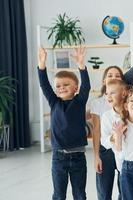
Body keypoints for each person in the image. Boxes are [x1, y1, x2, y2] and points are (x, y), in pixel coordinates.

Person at [37, 47, 90, 200]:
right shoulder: (54, 102)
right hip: (58, 158)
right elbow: (44, 85)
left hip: (78, 157)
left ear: (75, 88)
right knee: (59, 195)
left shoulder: (79, 101)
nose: (61, 88)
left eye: (66, 85)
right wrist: (42, 65)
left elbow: (86, 86)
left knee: (80, 194)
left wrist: (81, 66)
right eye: (58, 86)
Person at [90, 66, 124, 200]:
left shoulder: (128, 103)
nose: (113, 77)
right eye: (110, 75)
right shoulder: (97, 103)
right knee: (104, 190)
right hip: (106, 150)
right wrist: (96, 156)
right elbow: (96, 131)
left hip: (123, 150)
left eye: (117, 75)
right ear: (104, 80)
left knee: (124, 187)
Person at [98, 79, 128, 200]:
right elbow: (104, 141)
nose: (108, 96)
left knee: (127, 194)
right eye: (107, 93)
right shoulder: (106, 116)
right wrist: (115, 135)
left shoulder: (132, 112)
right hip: (120, 163)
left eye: (112, 93)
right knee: (122, 190)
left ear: (124, 93)